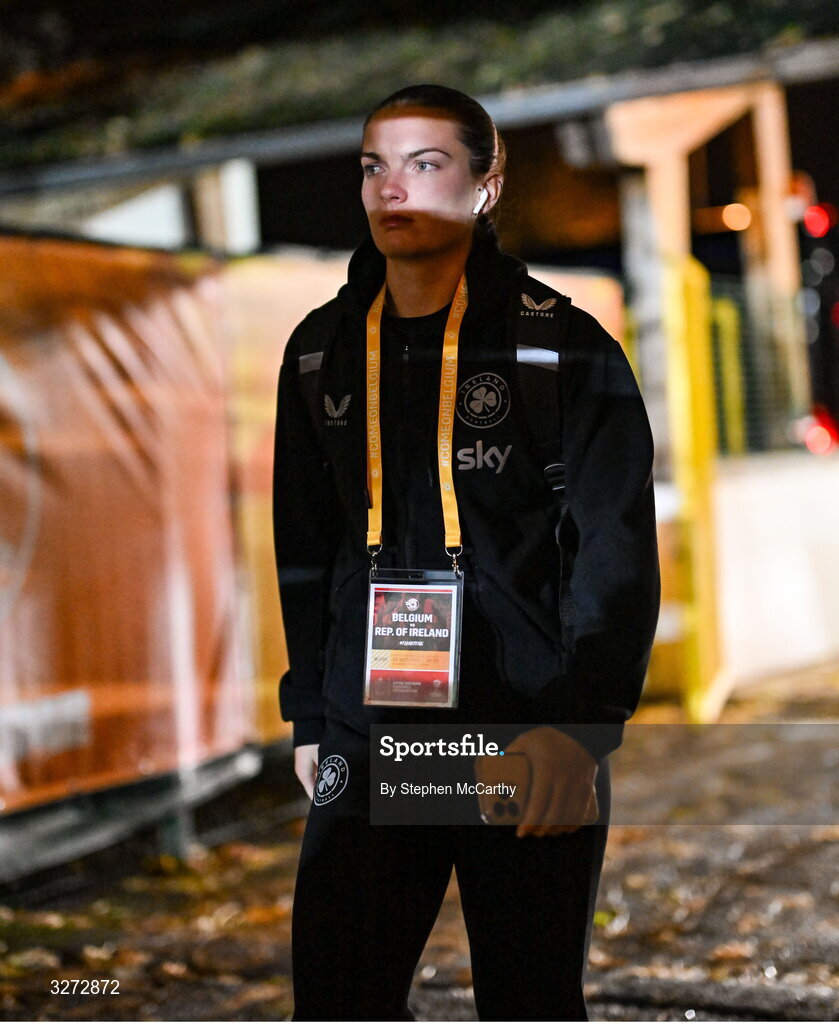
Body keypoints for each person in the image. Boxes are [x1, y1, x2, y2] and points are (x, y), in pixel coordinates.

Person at [273, 84, 660, 1021]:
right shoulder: (322, 351)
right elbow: (305, 548)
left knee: (528, 1000)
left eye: (425, 164)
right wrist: (314, 719)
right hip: (376, 739)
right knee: (337, 997)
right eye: (374, 166)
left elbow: (613, 552)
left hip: (523, 733)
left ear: (488, 186)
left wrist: (580, 726)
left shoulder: (562, 348)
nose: (391, 190)